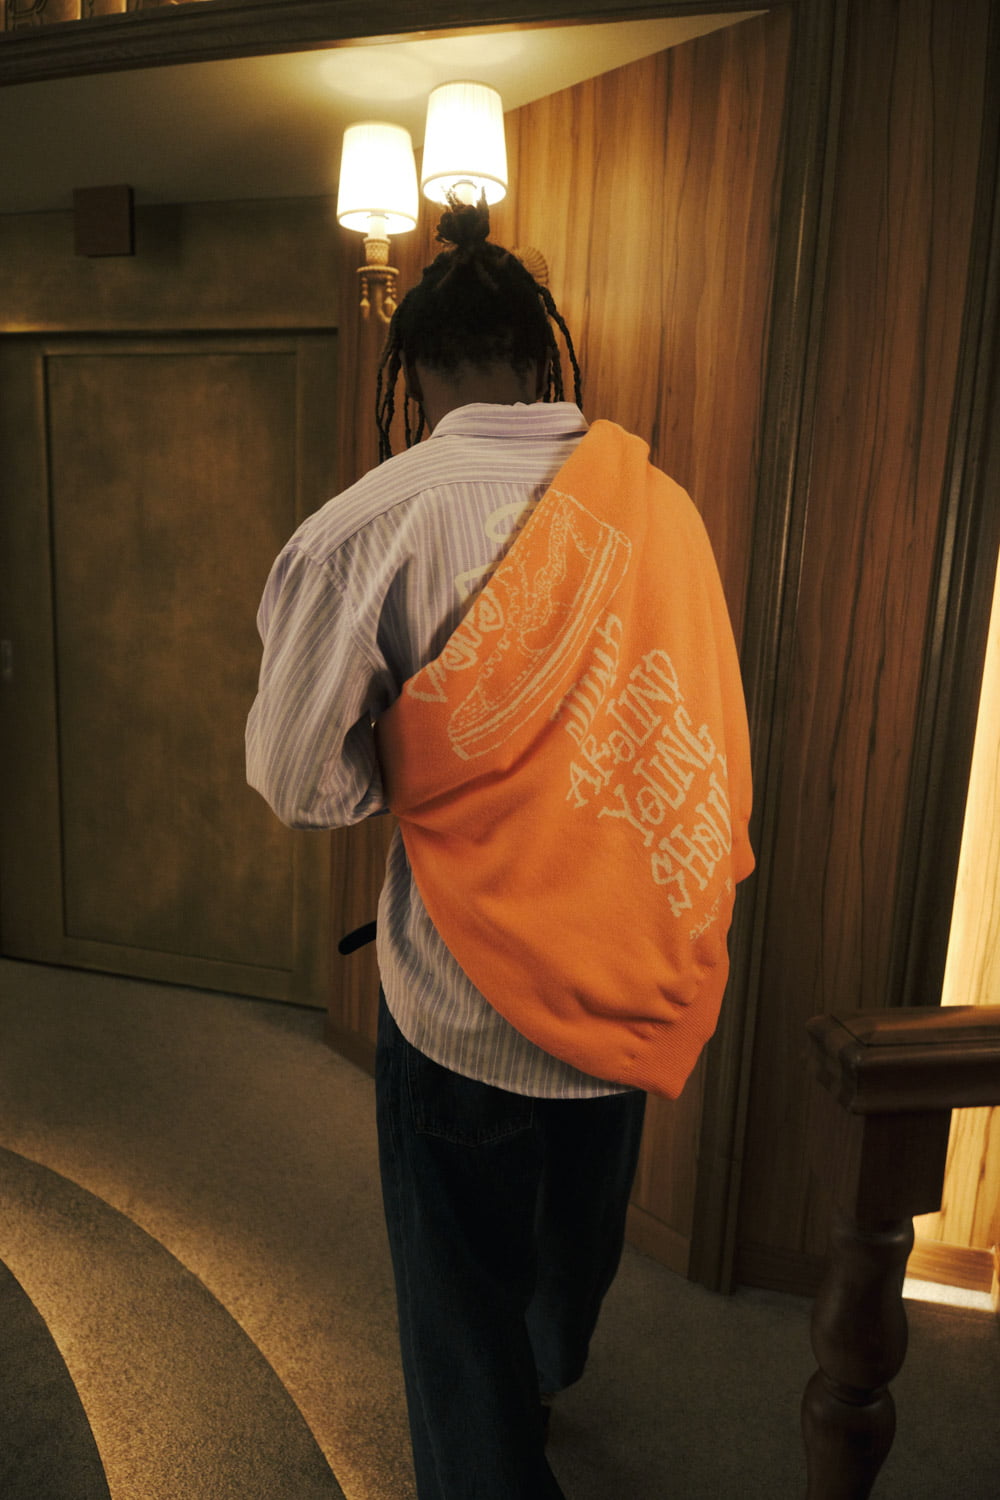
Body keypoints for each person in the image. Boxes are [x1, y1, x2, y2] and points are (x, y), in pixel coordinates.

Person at [246, 196, 753, 1500]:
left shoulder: (365, 527)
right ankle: (547, 1374)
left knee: (458, 1313)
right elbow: (698, 733)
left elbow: (299, 780)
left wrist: (438, 774)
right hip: (622, 982)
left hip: (458, 1003)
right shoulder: (666, 511)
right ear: (542, 359)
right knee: (571, 1262)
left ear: (411, 377)